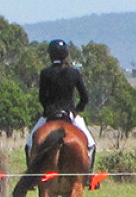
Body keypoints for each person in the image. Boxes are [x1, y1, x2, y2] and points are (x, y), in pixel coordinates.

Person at [28, 39, 96, 172]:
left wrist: (48, 110)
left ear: (50, 55)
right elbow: (84, 98)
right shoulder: (74, 73)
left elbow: (42, 97)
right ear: (65, 54)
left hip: (50, 115)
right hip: (69, 114)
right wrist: (77, 110)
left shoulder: (45, 73)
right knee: (91, 144)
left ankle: (31, 177)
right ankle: (88, 175)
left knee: (30, 144)